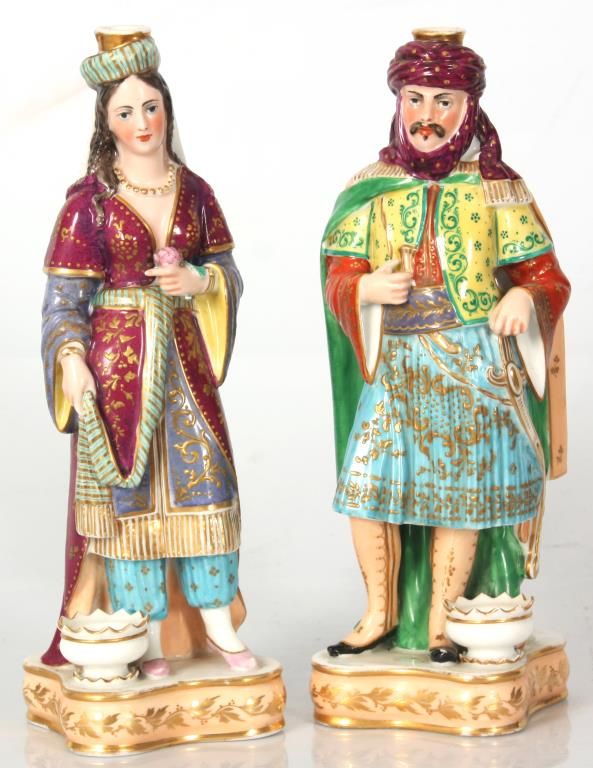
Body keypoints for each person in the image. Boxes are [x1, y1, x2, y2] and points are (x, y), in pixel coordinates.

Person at [321, 28, 570, 662]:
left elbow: (547, 277)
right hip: (398, 360)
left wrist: (524, 297)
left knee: (460, 496)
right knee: (367, 487)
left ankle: (442, 624)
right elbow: (338, 272)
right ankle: (378, 611)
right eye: (415, 99)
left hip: (471, 360)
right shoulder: (372, 186)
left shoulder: (496, 188)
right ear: (397, 101)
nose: (426, 116)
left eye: (443, 101)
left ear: (469, 106)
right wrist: (365, 287)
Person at [41, 27, 255, 677]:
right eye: (126, 111)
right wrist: (70, 358)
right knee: (128, 500)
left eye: (151, 107)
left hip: (186, 366)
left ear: (168, 110)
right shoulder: (89, 204)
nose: (142, 123)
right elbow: (63, 301)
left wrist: (201, 283)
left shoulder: (197, 193)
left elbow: (227, 271)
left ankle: (217, 625)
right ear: (106, 124)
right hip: (118, 374)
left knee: (206, 483)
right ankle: (144, 635)